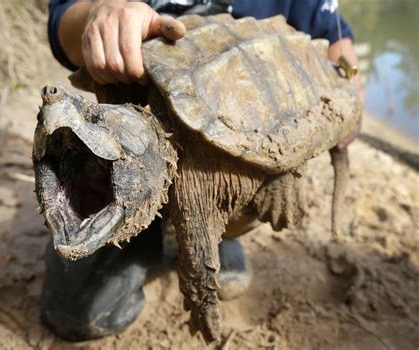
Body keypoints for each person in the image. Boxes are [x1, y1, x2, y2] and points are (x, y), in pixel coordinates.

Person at [44, 0, 362, 341]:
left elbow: (333, 35)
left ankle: (226, 227)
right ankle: (138, 220)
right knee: (76, 310)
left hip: (246, 128)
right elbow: (64, 19)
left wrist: (349, 91)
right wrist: (97, 14)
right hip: (136, 75)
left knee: (222, 198)